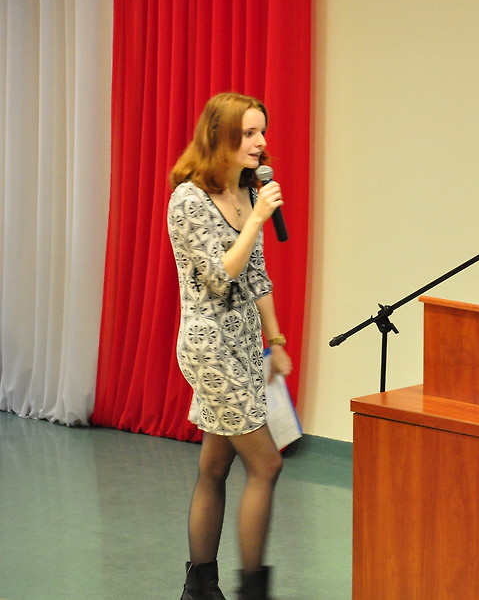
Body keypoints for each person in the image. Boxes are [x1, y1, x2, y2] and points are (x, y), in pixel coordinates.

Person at [167, 92, 293, 600]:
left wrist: (275, 340)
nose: (261, 142)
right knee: (267, 464)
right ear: (220, 136)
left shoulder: (245, 189)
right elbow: (220, 277)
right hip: (209, 347)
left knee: (215, 467)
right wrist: (257, 218)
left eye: (262, 131)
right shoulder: (188, 201)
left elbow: (256, 275)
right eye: (249, 133)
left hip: (243, 345)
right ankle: (252, 591)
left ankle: (199, 587)